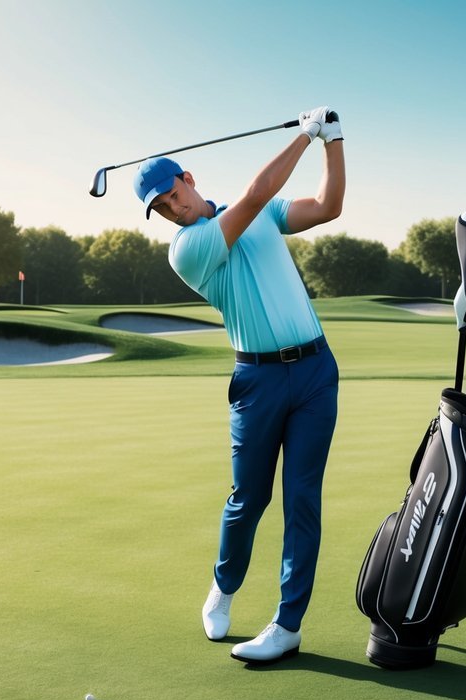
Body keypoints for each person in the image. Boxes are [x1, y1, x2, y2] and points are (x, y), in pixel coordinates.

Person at [133, 106, 345, 664]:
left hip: (317, 373)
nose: (174, 209)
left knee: (303, 501)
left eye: (173, 194)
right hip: (258, 380)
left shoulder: (266, 214)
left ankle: (288, 624)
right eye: (161, 208)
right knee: (248, 497)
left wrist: (333, 140)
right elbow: (252, 198)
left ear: (189, 179)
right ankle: (223, 591)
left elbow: (328, 207)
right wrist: (305, 134)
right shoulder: (188, 249)